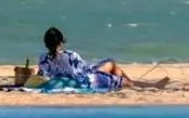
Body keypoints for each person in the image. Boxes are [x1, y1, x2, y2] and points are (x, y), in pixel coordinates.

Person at [36, 26, 164, 90]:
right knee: (118, 72)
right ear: (61, 41)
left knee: (111, 63)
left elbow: (43, 74)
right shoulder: (70, 55)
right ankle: (148, 86)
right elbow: (80, 73)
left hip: (83, 76)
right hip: (88, 80)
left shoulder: (42, 59)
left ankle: (140, 84)